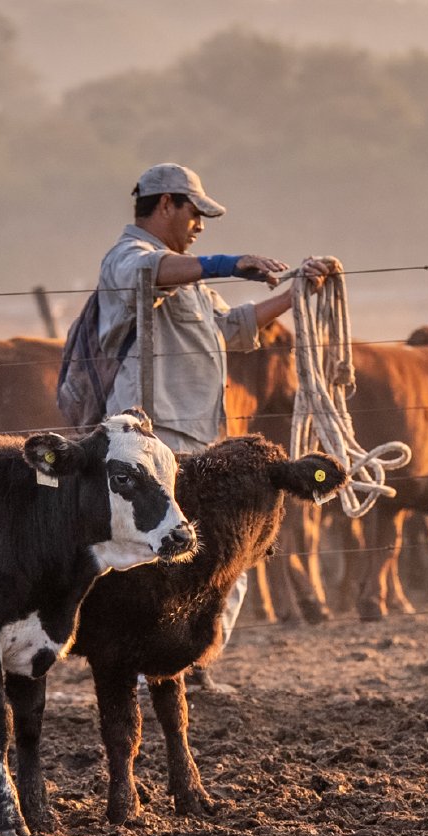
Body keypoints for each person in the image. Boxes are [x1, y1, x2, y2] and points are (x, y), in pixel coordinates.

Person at [95, 162, 336, 691]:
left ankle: (187, 666)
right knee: (153, 558)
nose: (200, 223)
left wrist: (297, 294)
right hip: (150, 436)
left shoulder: (190, 277)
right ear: (166, 205)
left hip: (197, 433)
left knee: (215, 554)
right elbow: (151, 273)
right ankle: (146, 669)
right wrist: (230, 263)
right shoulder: (128, 259)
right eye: (195, 211)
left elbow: (232, 327)